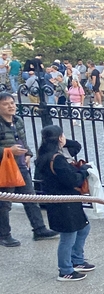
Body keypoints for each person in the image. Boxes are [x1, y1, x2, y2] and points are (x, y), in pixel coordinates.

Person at [34, 125, 94, 281]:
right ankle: (65, 269)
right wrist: (84, 170)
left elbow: (76, 146)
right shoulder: (58, 159)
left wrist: (61, 140)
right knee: (68, 235)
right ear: (60, 138)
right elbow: (71, 180)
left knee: (83, 227)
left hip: (62, 200)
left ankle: (76, 260)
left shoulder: (45, 155)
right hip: (64, 201)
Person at [0, 92, 60, 247]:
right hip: (5, 167)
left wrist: (28, 154)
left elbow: (23, 140)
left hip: (20, 165)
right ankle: (4, 234)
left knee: (31, 198)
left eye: (12, 103)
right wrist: (8, 151)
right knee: (4, 203)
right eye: (6, 104)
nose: (11, 106)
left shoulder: (18, 120)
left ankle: (39, 229)